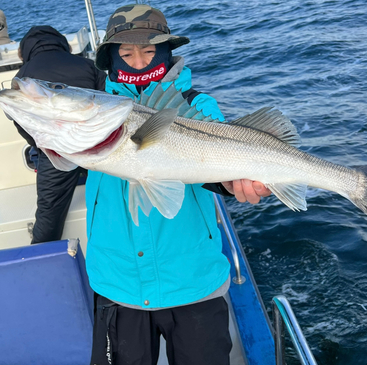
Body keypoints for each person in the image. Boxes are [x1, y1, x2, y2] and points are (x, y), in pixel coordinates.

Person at [87, 5, 271, 365]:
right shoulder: (97, 110)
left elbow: (218, 163)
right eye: (125, 53)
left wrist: (235, 183)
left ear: (166, 51)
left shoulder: (196, 105)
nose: (138, 62)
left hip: (192, 281)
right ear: (111, 59)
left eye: (149, 50)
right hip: (117, 282)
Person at [13, 25, 106, 244]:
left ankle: (41, 262)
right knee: (115, 191)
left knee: (49, 213)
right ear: (63, 43)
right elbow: (105, 98)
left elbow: (21, 122)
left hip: (57, 148)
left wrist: (43, 147)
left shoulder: (23, 75)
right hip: (97, 143)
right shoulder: (87, 64)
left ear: (25, 51)